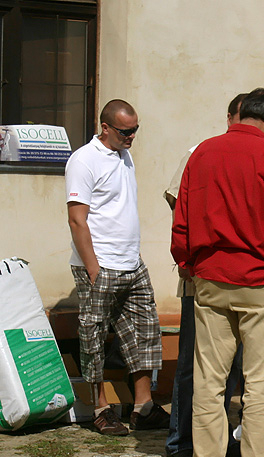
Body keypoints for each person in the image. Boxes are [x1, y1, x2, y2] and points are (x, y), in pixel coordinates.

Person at [171, 87, 264, 457]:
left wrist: (188, 265)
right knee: (260, 381)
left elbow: (182, 219)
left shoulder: (203, 153)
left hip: (211, 279)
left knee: (208, 378)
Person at [65, 99, 170, 436]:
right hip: (100, 265)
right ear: (105, 127)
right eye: (125, 131)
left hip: (131, 263)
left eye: (135, 130)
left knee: (145, 332)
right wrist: (93, 268)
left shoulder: (125, 155)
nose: (132, 136)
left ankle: (143, 407)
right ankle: (100, 408)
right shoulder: (84, 159)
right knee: (94, 336)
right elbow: (77, 219)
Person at [163, 93, 248, 457]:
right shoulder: (201, 152)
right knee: (192, 362)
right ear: (229, 118)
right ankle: (182, 440)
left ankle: (217, 440)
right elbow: (177, 203)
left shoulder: (259, 154)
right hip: (200, 279)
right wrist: (190, 253)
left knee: (231, 366)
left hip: (240, 281)